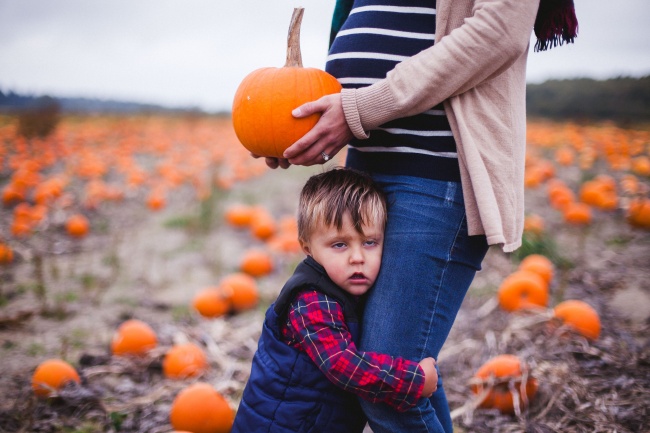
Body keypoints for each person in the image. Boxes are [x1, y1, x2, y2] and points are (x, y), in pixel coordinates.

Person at [259, 1, 578, 432]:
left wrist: (360, 109)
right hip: (366, 169)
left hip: (436, 172)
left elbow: (500, 29)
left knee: (389, 389)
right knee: (408, 373)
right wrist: (293, 128)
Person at [231, 167, 439, 433]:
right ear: (307, 247)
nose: (357, 257)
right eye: (340, 245)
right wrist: (412, 381)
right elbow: (341, 364)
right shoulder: (312, 301)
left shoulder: (346, 286)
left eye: (370, 242)